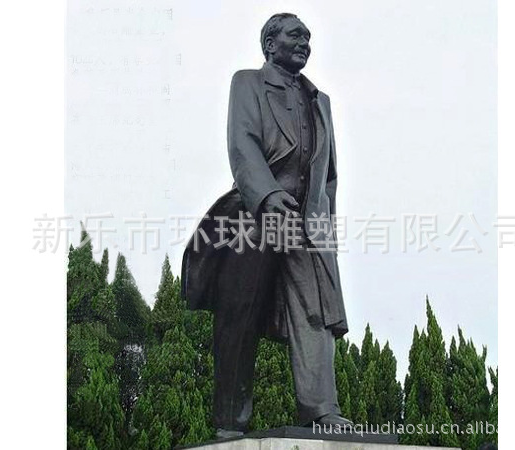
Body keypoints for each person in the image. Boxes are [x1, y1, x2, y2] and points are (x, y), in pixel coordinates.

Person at [181, 12, 351, 438]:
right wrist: (268, 195)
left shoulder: (320, 102)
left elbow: (328, 175)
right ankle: (230, 420)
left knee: (315, 312)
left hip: (307, 224)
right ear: (270, 44)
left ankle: (321, 409)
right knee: (241, 312)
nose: (306, 43)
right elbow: (242, 144)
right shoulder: (248, 83)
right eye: (296, 35)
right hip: (255, 214)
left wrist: (325, 230)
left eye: (309, 37)